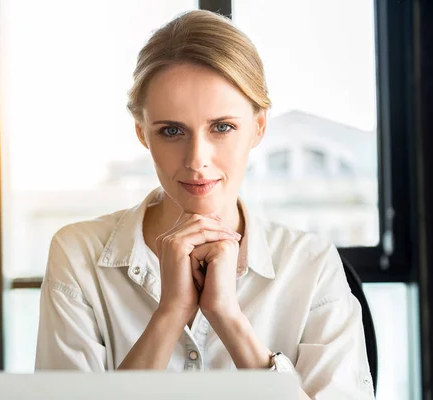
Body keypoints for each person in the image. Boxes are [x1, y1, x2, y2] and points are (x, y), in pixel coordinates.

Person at [35, 9, 374, 400]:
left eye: (222, 127)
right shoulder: (77, 256)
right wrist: (170, 312)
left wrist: (229, 318)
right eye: (172, 131)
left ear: (258, 127)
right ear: (142, 133)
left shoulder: (311, 266)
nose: (197, 160)